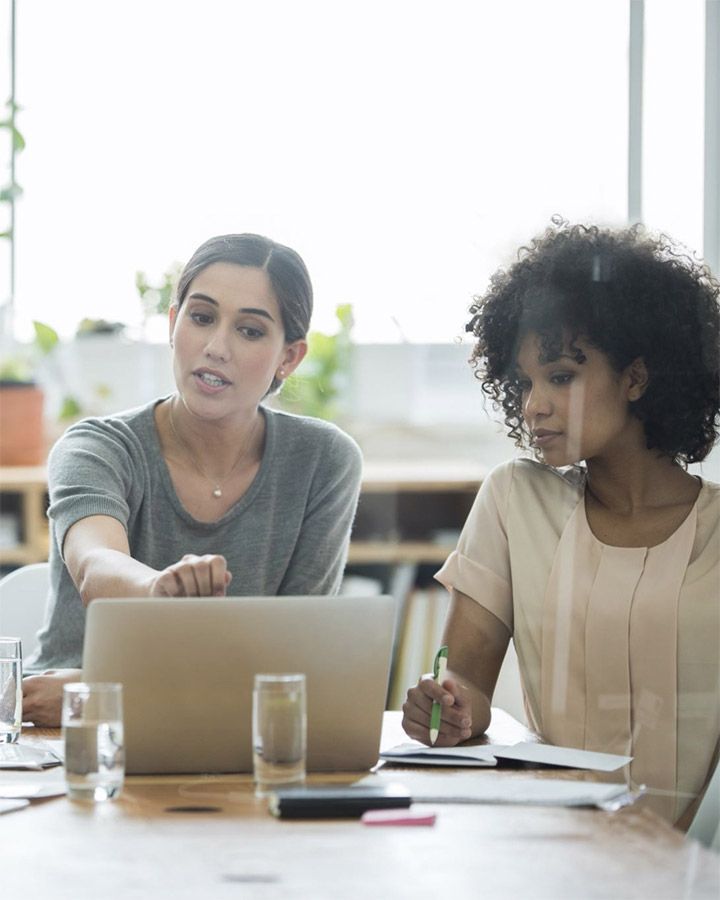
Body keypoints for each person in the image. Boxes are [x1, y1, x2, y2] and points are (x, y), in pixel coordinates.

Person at [402, 220, 720, 827]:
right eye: (524, 382)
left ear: (636, 377)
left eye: (562, 376)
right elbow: (465, 680)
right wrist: (449, 708)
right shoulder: (514, 500)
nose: (533, 405)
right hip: (554, 847)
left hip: (696, 866)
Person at [22, 232, 362, 725]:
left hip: (216, 726)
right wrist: (160, 591)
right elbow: (96, 568)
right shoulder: (95, 447)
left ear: (289, 357)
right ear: (173, 322)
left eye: (249, 331)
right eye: (201, 318)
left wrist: (114, 693)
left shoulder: (324, 462)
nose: (215, 347)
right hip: (69, 726)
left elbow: (294, 661)